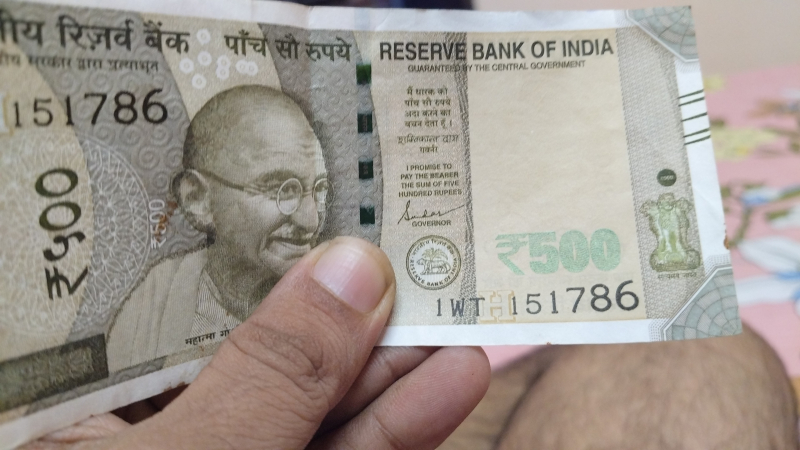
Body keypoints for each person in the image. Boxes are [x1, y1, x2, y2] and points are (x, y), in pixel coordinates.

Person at [107, 85, 330, 371]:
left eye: (319, 188)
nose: (310, 221)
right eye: (280, 190)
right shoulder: (151, 308)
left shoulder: (337, 294)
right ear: (198, 199)